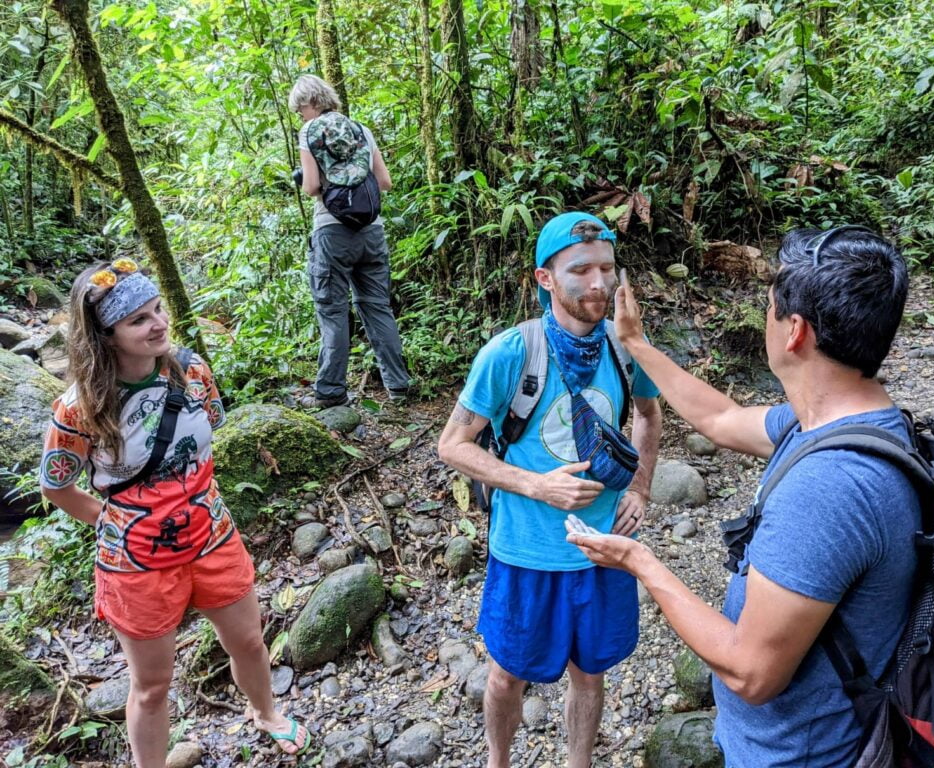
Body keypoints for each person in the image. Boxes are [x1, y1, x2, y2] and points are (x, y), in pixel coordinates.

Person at [566, 226, 921, 766]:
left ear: (795, 331)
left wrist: (643, 564)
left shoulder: (830, 489)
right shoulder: (843, 420)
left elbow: (751, 673)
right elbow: (722, 418)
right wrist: (636, 344)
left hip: (805, 754)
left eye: (771, 306)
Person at [39, 260, 309, 766]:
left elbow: (211, 433)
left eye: (157, 309)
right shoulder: (79, 408)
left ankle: (265, 712)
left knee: (250, 641)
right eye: (139, 319)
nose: (159, 323)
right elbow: (56, 486)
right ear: (107, 335)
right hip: (137, 563)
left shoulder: (191, 370)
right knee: (152, 684)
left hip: (211, 536)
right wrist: (112, 523)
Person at [437, 212, 663, 768]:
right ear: (545, 279)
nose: (598, 284)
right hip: (527, 553)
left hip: (602, 550)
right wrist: (536, 485)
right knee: (507, 672)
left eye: (607, 269)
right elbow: (453, 445)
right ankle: (498, 761)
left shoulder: (625, 344)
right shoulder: (511, 353)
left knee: (591, 673)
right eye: (580, 269)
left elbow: (650, 416)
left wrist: (640, 489)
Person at [289, 74, 412, 407]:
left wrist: (304, 178)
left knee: (333, 312)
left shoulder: (309, 132)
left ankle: (330, 392)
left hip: (332, 231)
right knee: (377, 307)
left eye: (300, 110)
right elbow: (384, 181)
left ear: (308, 104)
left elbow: (313, 187)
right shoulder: (361, 129)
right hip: (371, 231)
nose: (301, 116)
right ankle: (398, 387)